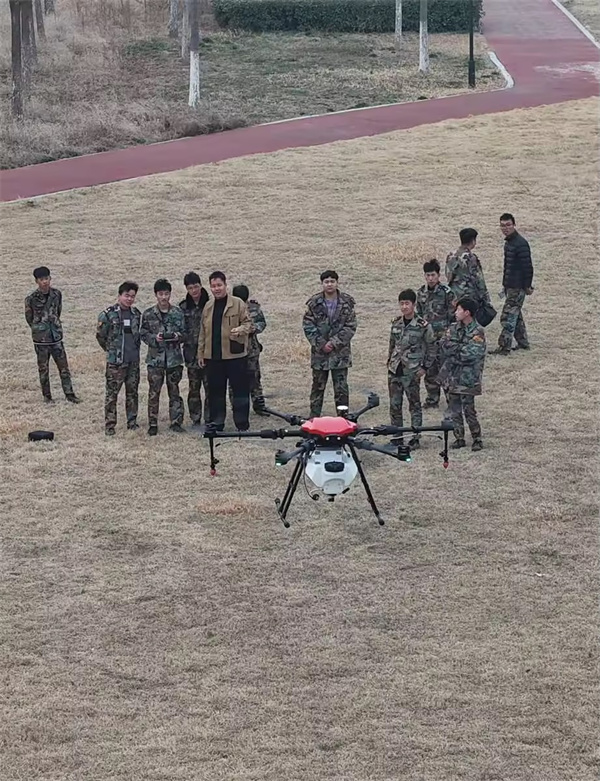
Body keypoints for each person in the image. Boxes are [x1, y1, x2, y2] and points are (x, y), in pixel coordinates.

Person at [197, 271, 252, 432]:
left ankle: (242, 423)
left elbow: (249, 324)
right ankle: (217, 422)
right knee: (215, 392)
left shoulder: (238, 304)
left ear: (225, 285)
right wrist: (201, 353)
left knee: (240, 391)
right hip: (213, 357)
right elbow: (202, 332)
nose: (217, 289)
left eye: (219, 285)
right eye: (213, 286)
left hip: (235, 356)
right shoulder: (208, 307)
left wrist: (240, 330)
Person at [302, 270, 357, 418]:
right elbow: (308, 325)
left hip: (340, 353)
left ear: (337, 283)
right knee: (317, 387)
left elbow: (350, 326)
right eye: (326, 282)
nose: (329, 284)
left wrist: (334, 343)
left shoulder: (347, 302)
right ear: (322, 284)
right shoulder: (314, 303)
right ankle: (314, 418)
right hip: (320, 354)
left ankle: (343, 418)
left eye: (332, 281)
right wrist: (321, 344)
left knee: (341, 388)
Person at [24, 266, 80, 404]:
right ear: (36, 281)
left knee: (64, 368)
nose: (45, 282)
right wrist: (39, 328)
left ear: (50, 278)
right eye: (41, 279)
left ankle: (69, 394)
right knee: (43, 369)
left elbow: (58, 311)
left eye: (46, 278)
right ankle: (47, 396)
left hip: (56, 337)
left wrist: (54, 326)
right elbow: (29, 317)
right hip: (41, 340)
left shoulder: (57, 294)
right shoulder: (31, 298)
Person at [387, 289, 435, 448]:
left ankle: (415, 437)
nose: (404, 307)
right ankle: (397, 436)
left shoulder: (422, 325)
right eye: (401, 304)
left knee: (414, 405)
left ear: (414, 305)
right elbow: (392, 345)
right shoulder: (396, 323)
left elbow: (432, 347)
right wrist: (389, 362)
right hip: (395, 369)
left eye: (407, 303)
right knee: (395, 405)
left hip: (412, 371)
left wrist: (425, 367)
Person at [438, 297, 486, 451]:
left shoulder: (477, 331)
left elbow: (471, 354)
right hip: (452, 376)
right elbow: (443, 345)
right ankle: (459, 437)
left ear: (467, 312)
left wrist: (455, 350)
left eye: (458, 309)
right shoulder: (453, 328)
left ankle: (476, 438)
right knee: (454, 409)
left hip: (468, 378)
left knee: (469, 410)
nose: (455, 312)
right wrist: (459, 348)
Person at [140, 278, 186, 436]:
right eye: (161, 294)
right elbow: (143, 334)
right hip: (155, 360)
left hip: (174, 360)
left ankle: (176, 422)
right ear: (156, 295)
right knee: (154, 393)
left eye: (166, 294)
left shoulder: (178, 313)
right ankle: (153, 423)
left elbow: (185, 333)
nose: (164, 297)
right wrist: (155, 339)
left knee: (175, 392)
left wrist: (177, 336)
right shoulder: (148, 314)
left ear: (170, 294)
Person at [96, 281, 142, 435]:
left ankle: (132, 421)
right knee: (112, 395)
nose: (129, 299)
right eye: (126, 296)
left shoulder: (136, 314)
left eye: (132, 296)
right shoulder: (108, 315)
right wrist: (111, 351)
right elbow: (101, 336)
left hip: (133, 361)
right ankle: (110, 425)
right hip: (116, 363)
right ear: (119, 295)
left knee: (132, 393)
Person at [416, 259, 454, 409]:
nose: (430, 278)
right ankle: (432, 399)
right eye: (428, 275)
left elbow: (453, 316)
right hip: (428, 339)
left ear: (438, 275)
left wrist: (450, 335)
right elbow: (419, 315)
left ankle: (452, 400)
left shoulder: (447, 293)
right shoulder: (421, 293)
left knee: (446, 370)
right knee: (430, 369)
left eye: (433, 275)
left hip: (443, 338)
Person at [494, 212, 534, 355]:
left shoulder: (520, 243)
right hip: (511, 286)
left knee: (508, 317)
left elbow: (527, 267)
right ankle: (523, 343)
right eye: (503, 225)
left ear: (514, 225)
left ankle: (504, 347)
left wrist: (527, 286)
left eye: (508, 225)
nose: (505, 228)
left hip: (517, 287)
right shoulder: (510, 243)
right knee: (516, 316)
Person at [231, 284, 268, 415]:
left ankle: (259, 405)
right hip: (234, 350)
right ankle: (237, 407)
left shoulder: (254, 308)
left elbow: (262, 323)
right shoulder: (229, 309)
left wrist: (253, 329)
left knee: (255, 378)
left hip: (251, 349)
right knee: (234, 380)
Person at [179, 272, 210, 426]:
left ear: (201, 285)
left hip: (209, 353)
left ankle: (210, 418)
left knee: (210, 387)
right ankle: (195, 418)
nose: (194, 290)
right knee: (194, 387)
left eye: (196, 287)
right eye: (190, 288)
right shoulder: (183, 307)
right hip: (191, 354)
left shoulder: (210, 304)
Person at [445, 228, 491, 309]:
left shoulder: (451, 255)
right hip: (469, 296)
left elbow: (447, 274)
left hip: (454, 295)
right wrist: (485, 298)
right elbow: (479, 280)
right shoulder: (471, 258)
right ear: (473, 241)